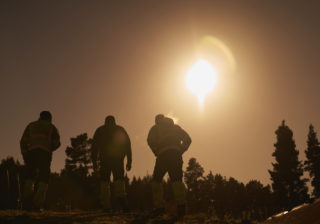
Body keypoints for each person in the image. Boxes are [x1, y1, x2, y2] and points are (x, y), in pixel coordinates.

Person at [147, 114, 192, 218]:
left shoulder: (155, 128)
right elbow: (188, 139)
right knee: (177, 180)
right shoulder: (175, 127)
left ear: (157, 120)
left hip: (163, 156)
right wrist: (181, 150)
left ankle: (159, 208)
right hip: (175, 155)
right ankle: (181, 207)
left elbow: (150, 140)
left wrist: (156, 151)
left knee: (157, 181)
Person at [20, 111, 60, 210]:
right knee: (44, 179)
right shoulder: (52, 127)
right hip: (45, 154)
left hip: (31, 153)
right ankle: (37, 205)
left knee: (30, 177)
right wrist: (50, 149)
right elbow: (57, 143)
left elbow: (23, 141)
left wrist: (25, 154)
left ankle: (27, 204)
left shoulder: (31, 125)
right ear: (49, 118)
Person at [91, 115, 132, 211]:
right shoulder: (120, 129)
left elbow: (94, 147)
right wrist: (129, 161)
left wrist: (94, 163)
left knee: (104, 181)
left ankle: (106, 205)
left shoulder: (100, 130)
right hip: (117, 160)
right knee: (119, 179)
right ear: (114, 121)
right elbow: (127, 145)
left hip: (104, 160)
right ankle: (121, 199)